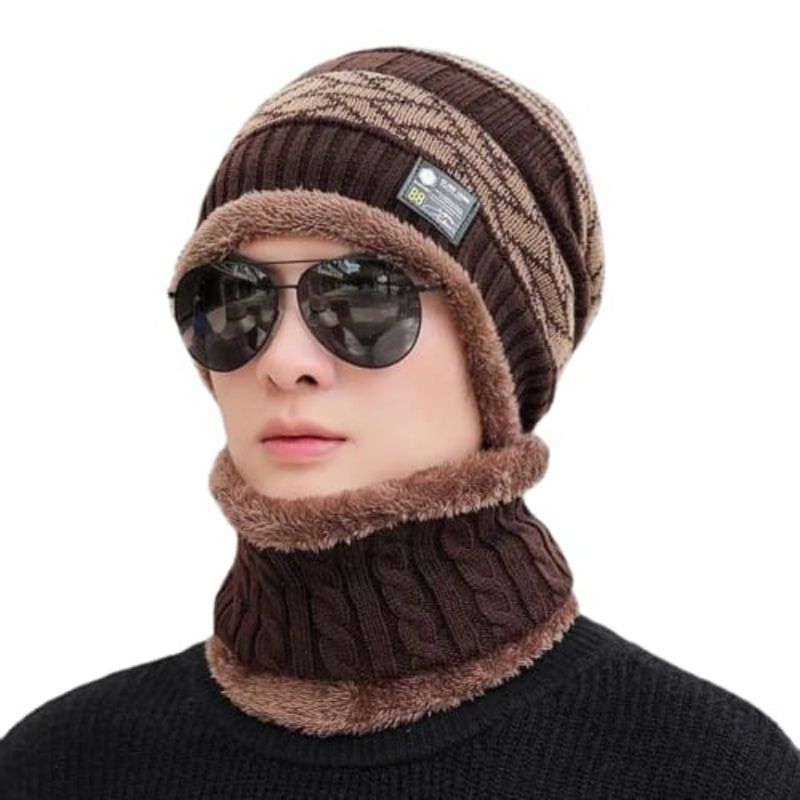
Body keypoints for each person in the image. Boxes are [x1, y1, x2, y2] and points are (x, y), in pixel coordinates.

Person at [1, 45, 798, 799]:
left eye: (361, 297)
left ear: (502, 358)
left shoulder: (706, 771)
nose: (283, 360)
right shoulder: (61, 766)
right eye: (233, 298)